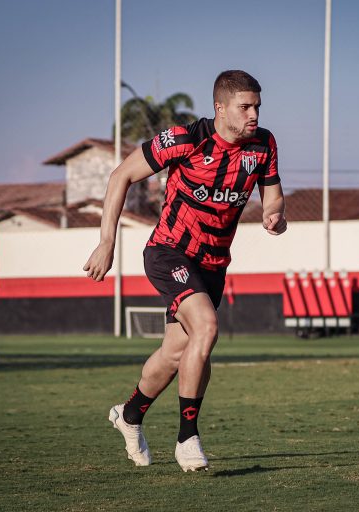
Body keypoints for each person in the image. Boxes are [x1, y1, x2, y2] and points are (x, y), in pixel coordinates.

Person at [84, 70, 287, 472]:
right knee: (206, 328)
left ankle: (130, 415)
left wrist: (274, 215)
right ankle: (187, 438)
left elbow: (274, 198)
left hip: (213, 264)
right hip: (169, 251)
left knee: (176, 352)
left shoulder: (263, 144)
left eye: (257, 107)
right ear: (220, 108)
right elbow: (121, 175)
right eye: (245, 107)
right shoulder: (185, 139)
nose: (254, 114)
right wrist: (107, 242)